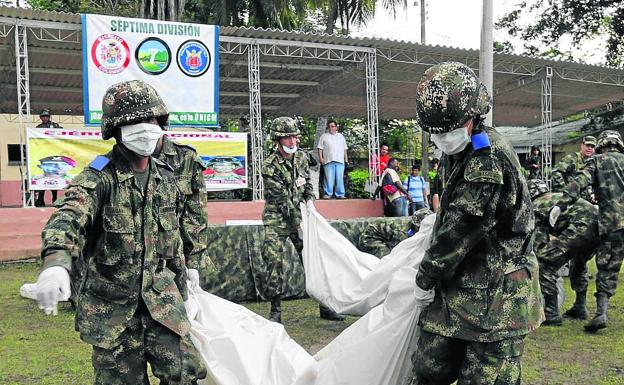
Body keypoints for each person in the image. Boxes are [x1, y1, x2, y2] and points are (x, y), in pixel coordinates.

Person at [33, 80, 206, 385]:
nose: (147, 128)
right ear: (116, 128)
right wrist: (56, 263)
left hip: (161, 303)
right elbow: (68, 217)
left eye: (152, 120)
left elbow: (173, 239)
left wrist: (188, 275)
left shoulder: (165, 177)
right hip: (112, 311)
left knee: (186, 373)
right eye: (136, 121)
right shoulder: (99, 178)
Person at [411, 62, 543, 385]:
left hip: (498, 299)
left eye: (448, 129)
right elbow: (452, 212)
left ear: (472, 117)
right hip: (461, 288)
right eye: (437, 132)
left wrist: (424, 278)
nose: (442, 138)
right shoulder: (459, 149)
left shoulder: (488, 158)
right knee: (427, 370)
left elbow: (461, 228)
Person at [262, 117, 345, 323]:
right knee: (273, 261)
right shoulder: (269, 165)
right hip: (278, 219)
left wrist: (309, 200)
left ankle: (325, 305)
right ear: (278, 140)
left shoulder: (301, 158)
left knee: (312, 259)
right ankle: (276, 310)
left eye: (294, 137)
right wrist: (298, 223)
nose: (292, 141)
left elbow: (307, 182)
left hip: (300, 215)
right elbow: (281, 199)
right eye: (287, 138)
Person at [552, 129, 624, 332]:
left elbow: (578, 184)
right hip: (616, 226)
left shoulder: (597, 162)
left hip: (608, 224)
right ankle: (584, 308)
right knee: (605, 266)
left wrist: (560, 205)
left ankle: (596, 311)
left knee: (593, 263)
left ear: (602, 145)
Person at [528, 179, 599, 326]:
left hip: (581, 226)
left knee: (545, 262)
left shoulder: (536, 205)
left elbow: (539, 242)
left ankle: (551, 313)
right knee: (578, 264)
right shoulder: (556, 196)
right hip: (599, 228)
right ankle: (580, 306)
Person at [153, 129, 212, 282]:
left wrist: (193, 261)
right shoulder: (112, 163)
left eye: (150, 120)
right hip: (131, 265)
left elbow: (196, 214)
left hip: (173, 258)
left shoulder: (186, 158)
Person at [551, 135, 596, 199]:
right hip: (570, 198)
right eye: (587, 145)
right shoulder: (572, 158)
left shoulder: (594, 162)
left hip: (585, 198)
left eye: (592, 146)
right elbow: (555, 172)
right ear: (582, 145)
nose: (590, 148)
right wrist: (564, 191)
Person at [34, 109, 63, 206]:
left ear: (49, 117)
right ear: (41, 118)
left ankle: (55, 199)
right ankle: (40, 200)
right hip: (44, 155)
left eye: (46, 116)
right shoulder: (38, 127)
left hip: (53, 155)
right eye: (43, 116)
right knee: (43, 178)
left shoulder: (55, 126)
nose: (45, 118)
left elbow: (62, 134)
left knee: (54, 178)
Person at [317, 119, 348, 199]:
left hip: (340, 160)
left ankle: (340, 194)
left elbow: (345, 148)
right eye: (329, 126)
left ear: (336, 127)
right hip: (328, 160)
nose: (331, 128)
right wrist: (321, 158)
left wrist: (346, 159)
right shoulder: (324, 136)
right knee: (328, 179)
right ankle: (328, 193)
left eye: (333, 126)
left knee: (339, 178)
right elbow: (320, 148)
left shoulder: (341, 136)